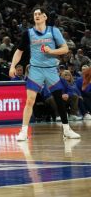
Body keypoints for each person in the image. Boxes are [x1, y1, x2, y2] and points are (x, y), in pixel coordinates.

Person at [10, 7, 80, 141]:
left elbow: (65, 49)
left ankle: (67, 130)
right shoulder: (28, 33)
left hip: (51, 70)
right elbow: (19, 51)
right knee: (30, 100)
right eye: (35, 14)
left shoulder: (54, 31)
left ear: (45, 17)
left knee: (59, 101)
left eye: (39, 14)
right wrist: (13, 66)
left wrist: (51, 52)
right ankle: (24, 131)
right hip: (35, 69)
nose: (36, 16)